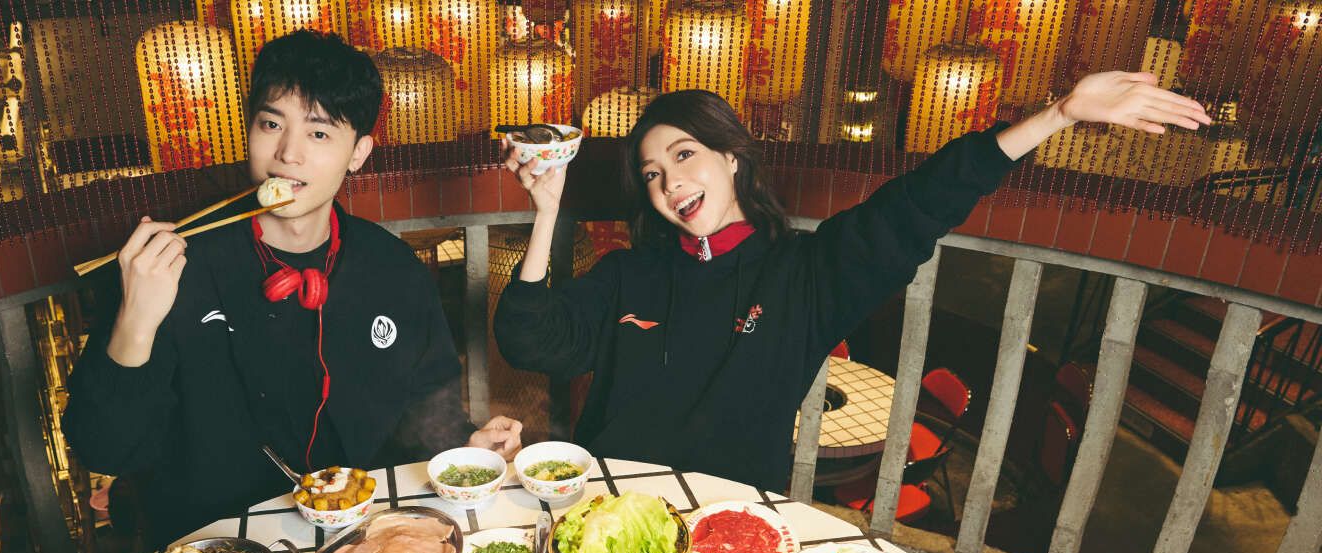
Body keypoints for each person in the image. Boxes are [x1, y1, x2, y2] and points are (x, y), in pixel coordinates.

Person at [492, 72, 1210, 494]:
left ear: (732, 157)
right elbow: (530, 340)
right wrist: (546, 211)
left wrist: (1057, 115)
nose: (669, 182)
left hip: (727, 522)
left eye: (684, 155)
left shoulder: (806, 273)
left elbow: (918, 204)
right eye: (651, 174)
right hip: (610, 506)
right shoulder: (629, 274)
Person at [64, 30, 521, 546]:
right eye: (271, 124)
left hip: (365, 536)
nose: (288, 154)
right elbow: (103, 449)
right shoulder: (174, 265)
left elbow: (427, 404)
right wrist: (135, 320)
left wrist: (463, 443)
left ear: (358, 153)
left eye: (319, 133)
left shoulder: (391, 267)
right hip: (220, 551)